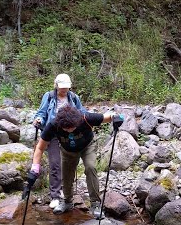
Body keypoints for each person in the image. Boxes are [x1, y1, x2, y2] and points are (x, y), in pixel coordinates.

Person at [27, 105, 124, 217]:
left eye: (72, 128)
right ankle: (67, 202)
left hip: (87, 146)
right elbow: (40, 147)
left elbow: (109, 117)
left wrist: (117, 117)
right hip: (67, 151)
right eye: (66, 129)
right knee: (66, 176)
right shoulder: (53, 125)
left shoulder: (86, 118)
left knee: (90, 167)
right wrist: (35, 168)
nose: (69, 131)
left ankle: (95, 204)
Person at [32, 74, 85, 209]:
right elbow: (42, 112)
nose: (64, 90)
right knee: (55, 163)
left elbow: (81, 112)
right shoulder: (49, 96)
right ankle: (55, 195)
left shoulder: (73, 97)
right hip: (53, 132)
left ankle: (66, 192)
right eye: (62, 87)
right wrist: (39, 120)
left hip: (69, 132)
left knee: (67, 162)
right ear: (56, 86)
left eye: (66, 87)